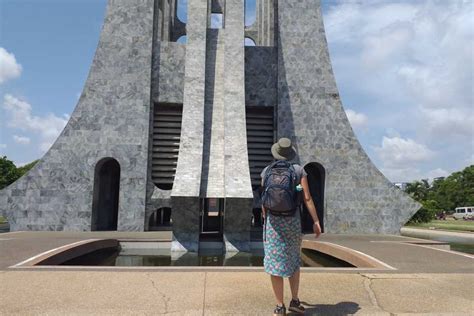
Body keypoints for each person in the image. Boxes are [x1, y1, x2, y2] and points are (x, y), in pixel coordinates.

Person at [261, 138, 322, 315]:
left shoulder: (266, 171)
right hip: (293, 221)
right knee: (294, 259)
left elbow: (264, 199)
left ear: (276, 152)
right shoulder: (298, 170)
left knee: (274, 262)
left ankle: (279, 306)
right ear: (290, 154)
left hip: (273, 222)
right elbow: (307, 198)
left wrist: (265, 217)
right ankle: (295, 301)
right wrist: (316, 221)